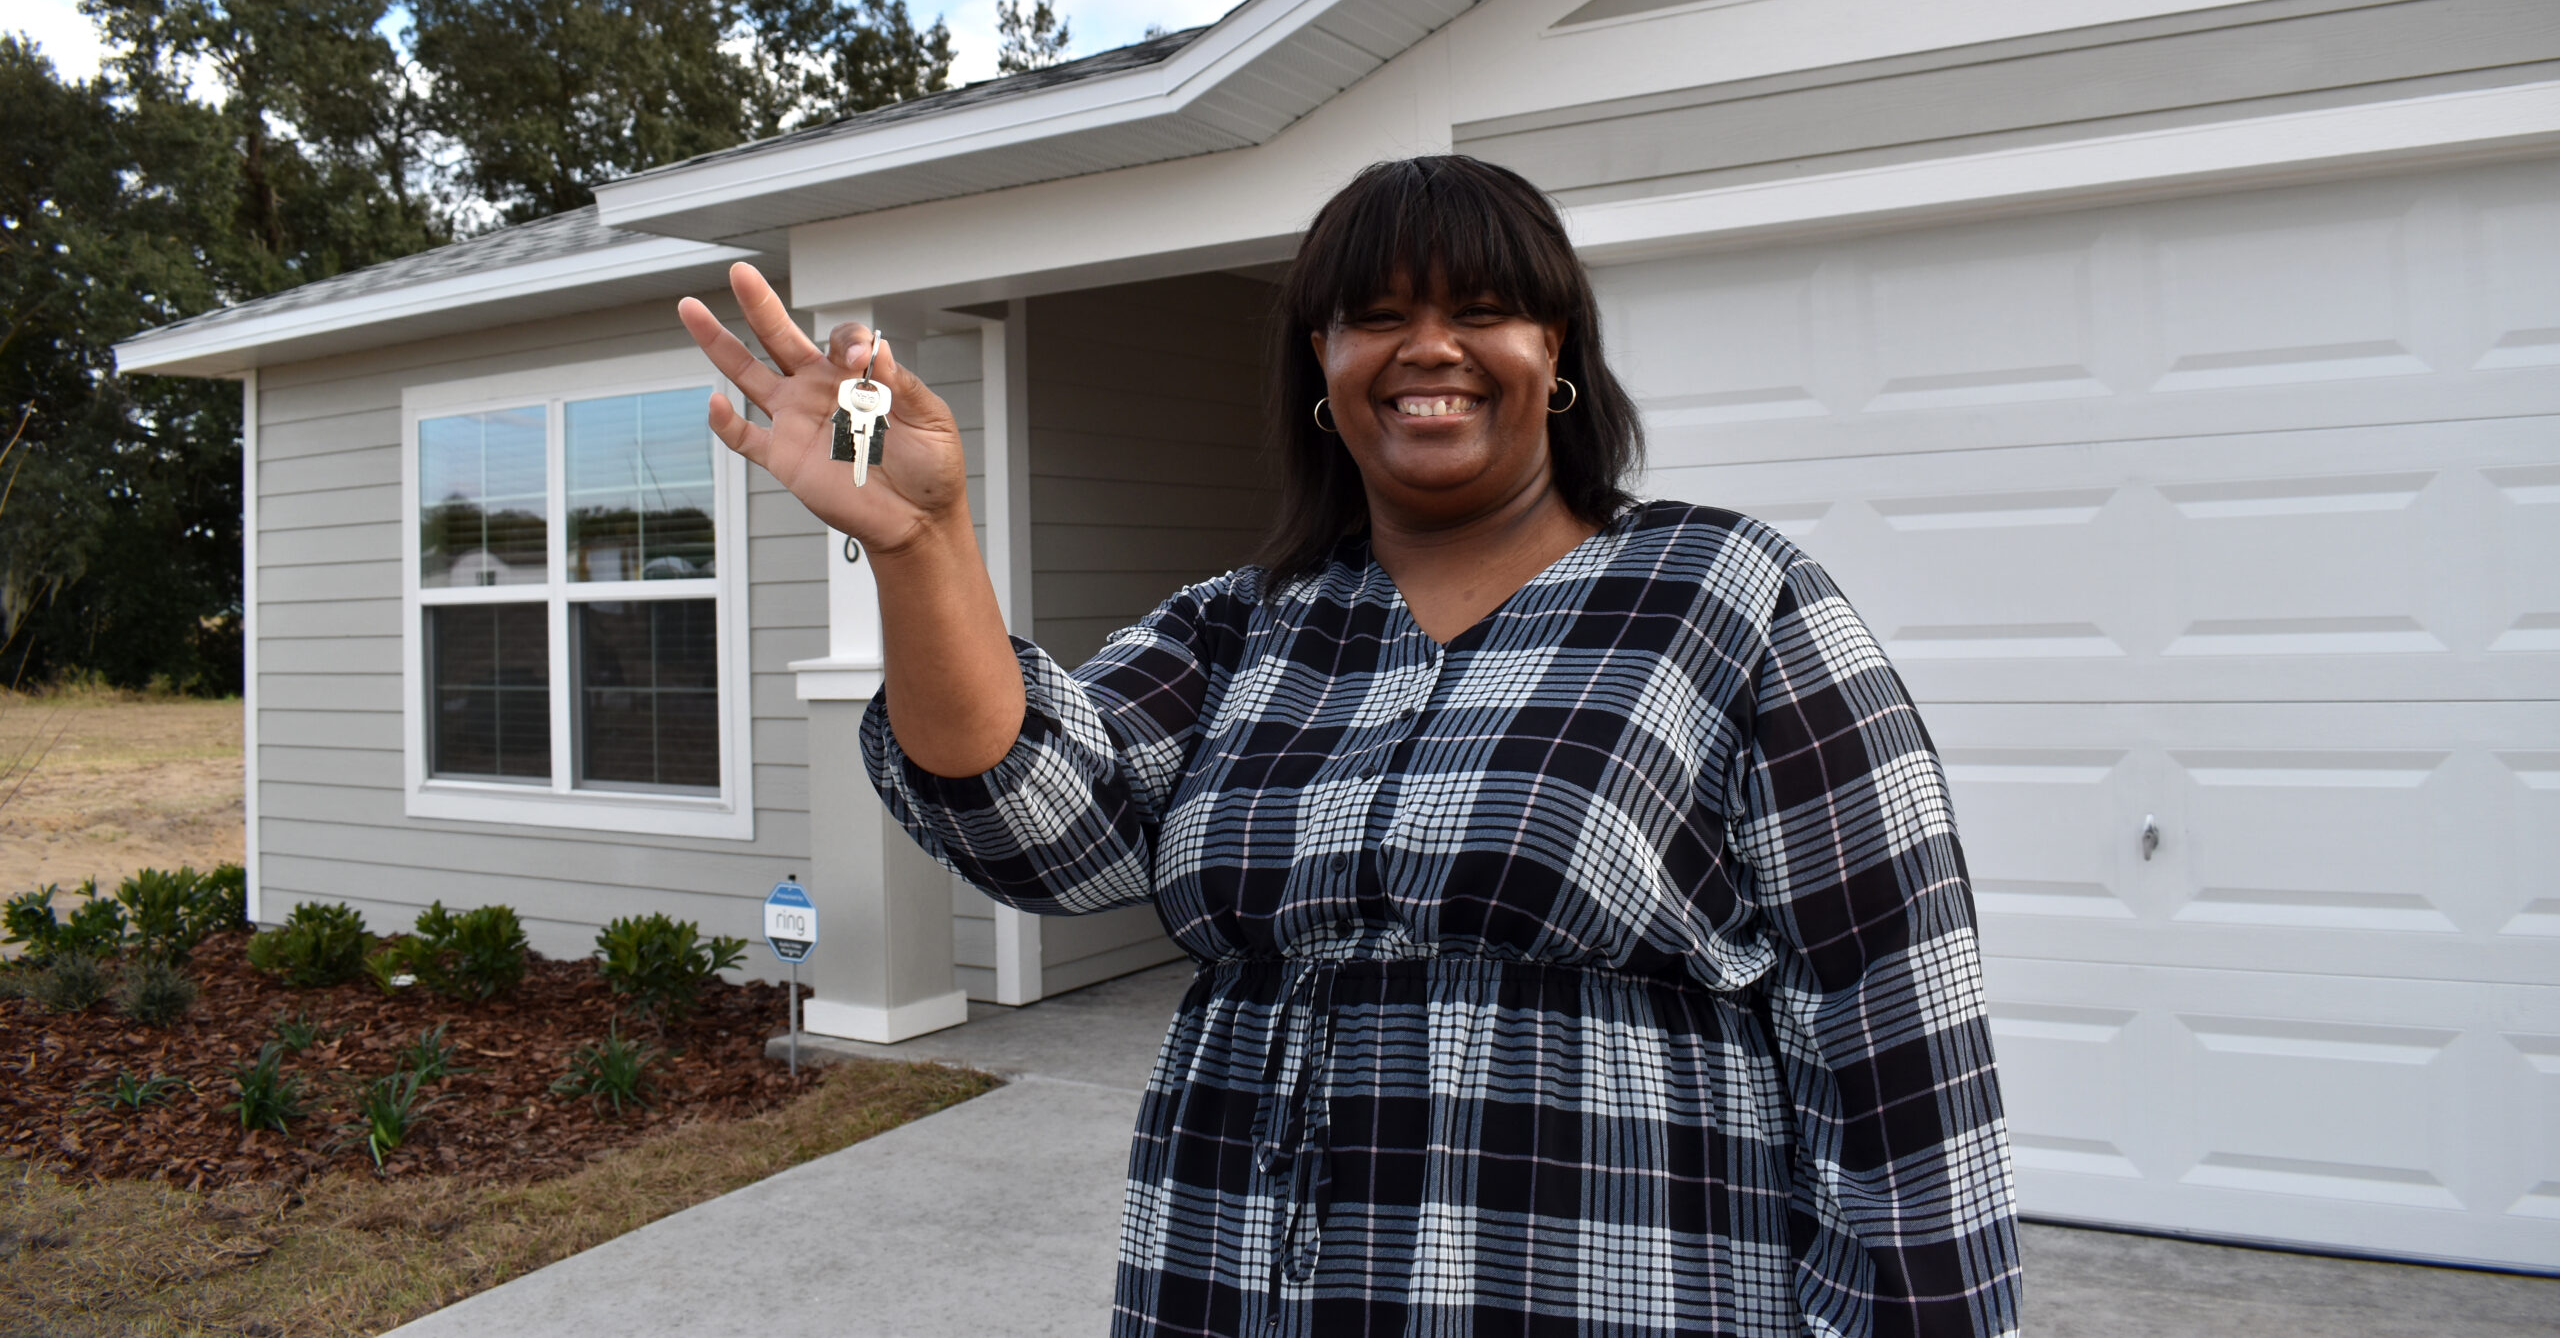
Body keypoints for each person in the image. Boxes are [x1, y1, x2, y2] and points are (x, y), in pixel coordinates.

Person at [677, 155, 2021, 1338]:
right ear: (1320, 365)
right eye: (1374, 317)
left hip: (1622, 1283)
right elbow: (1041, 825)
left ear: (1558, 351)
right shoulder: (1244, 626)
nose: (1426, 347)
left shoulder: (1725, 595)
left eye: (1479, 309)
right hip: (1235, 1280)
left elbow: (1892, 1019)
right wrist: (922, 543)